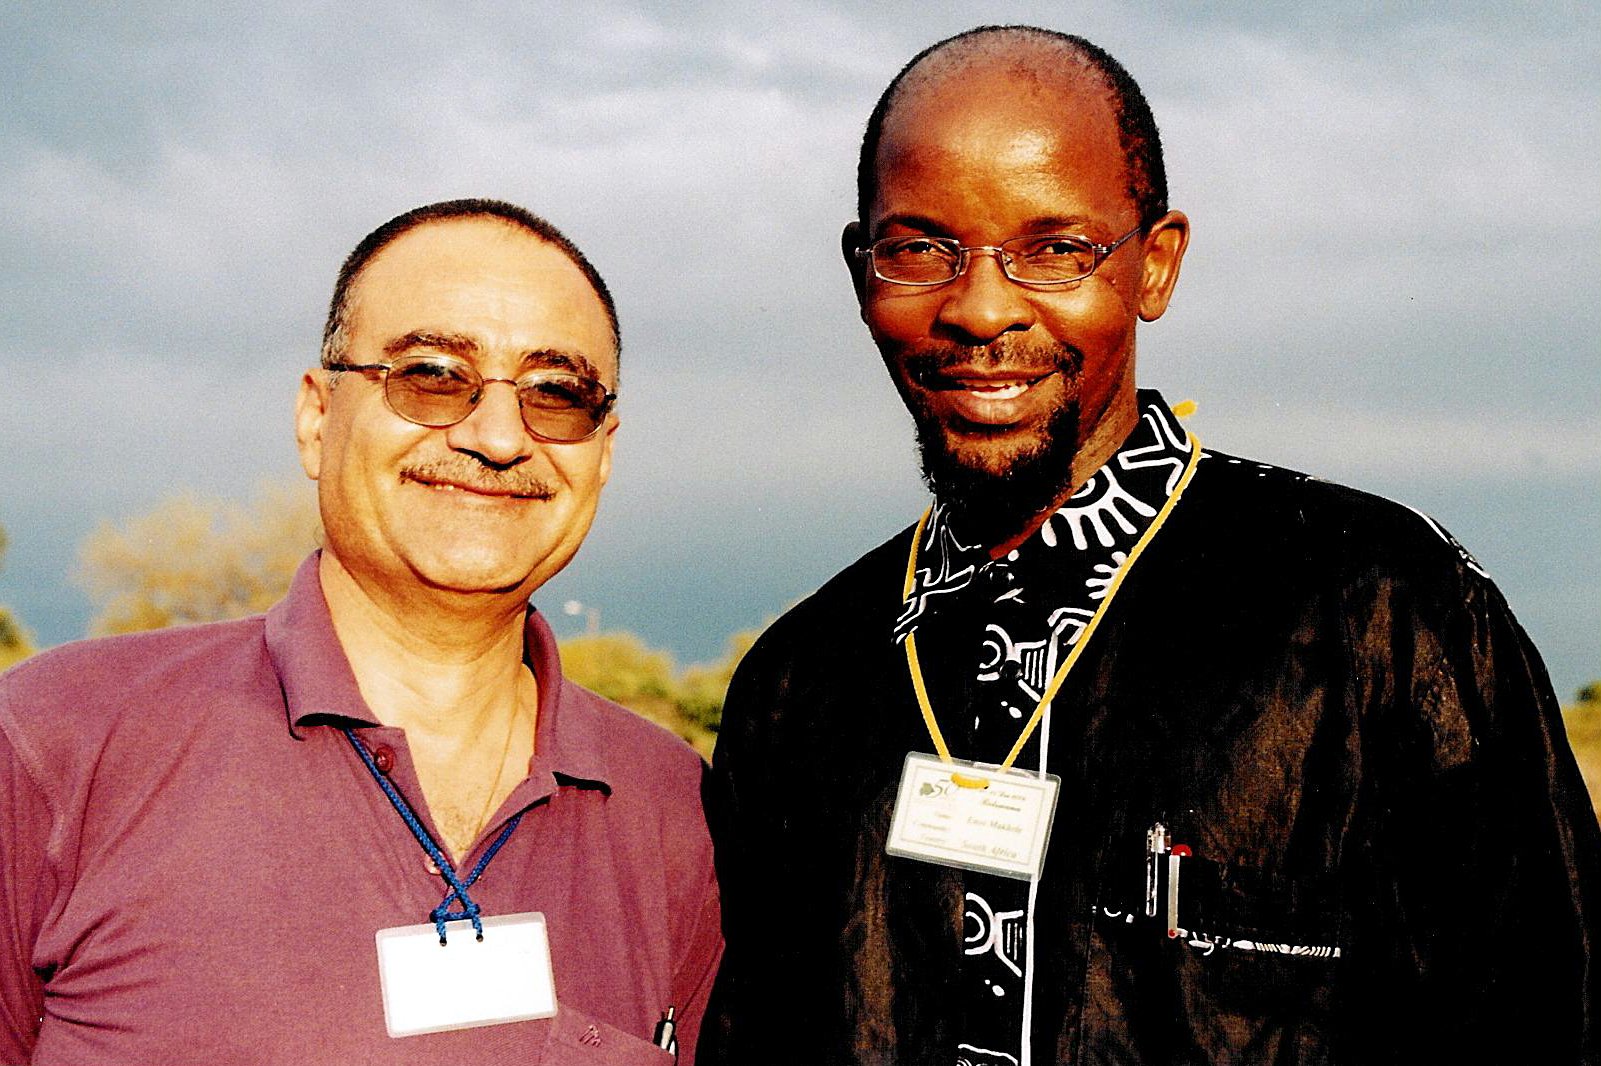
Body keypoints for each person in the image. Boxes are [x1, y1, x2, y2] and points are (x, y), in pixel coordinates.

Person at [703, 26, 1601, 1066]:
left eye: (1053, 250)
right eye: (919, 249)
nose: (980, 306)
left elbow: (1551, 1013)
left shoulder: (1373, 606)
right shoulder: (800, 680)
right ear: (861, 270)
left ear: (1153, 264)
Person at [0, 199, 721, 1063]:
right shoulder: (57, 743)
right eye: (431, 374)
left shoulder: (681, 811)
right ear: (316, 418)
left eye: (556, 394)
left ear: (602, 453)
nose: (496, 436)